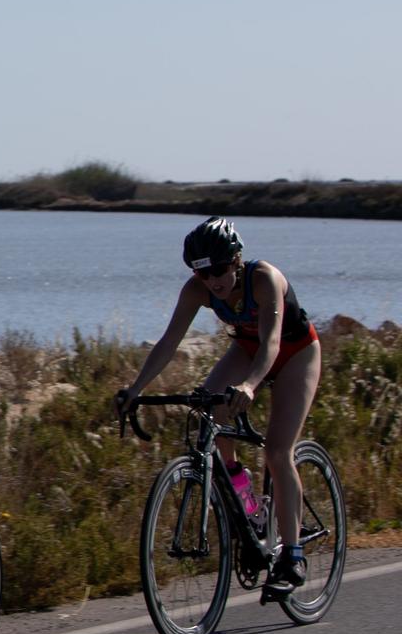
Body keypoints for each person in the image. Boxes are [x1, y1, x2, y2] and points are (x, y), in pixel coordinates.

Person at [116, 217, 320, 593]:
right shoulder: (197, 290)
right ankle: (249, 504)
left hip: (295, 353)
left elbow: (271, 343)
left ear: (237, 259)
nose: (214, 280)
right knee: (209, 410)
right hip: (246, 350)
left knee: (277, 451)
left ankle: (293, 556)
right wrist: (135, 388)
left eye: (220, 269)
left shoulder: (265, 279)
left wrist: (250, 384)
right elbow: (168, 342)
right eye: (203, 272)